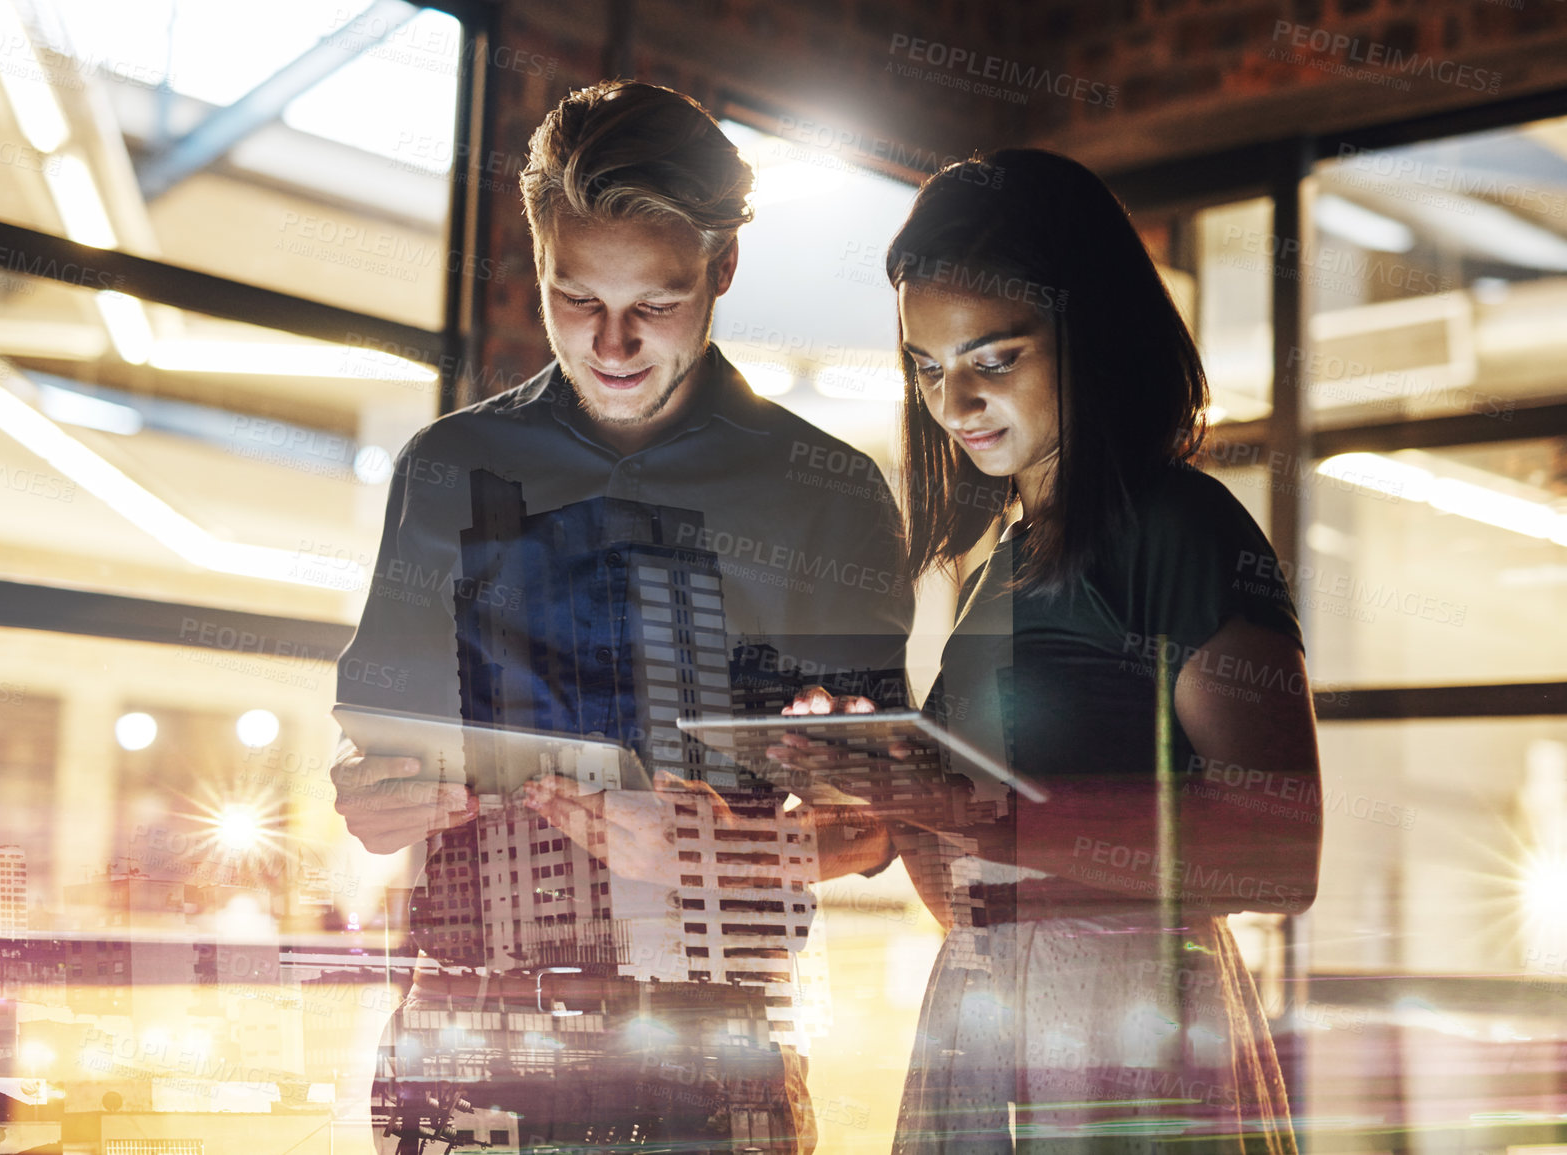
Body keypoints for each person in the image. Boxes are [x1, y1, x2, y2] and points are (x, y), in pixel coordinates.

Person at [328, 81, 913, 1154]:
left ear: (724, 268)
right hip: (462, 1047)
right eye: (573, 297)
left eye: (657, 301)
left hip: (708, 1049)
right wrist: (376, 803)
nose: (611, 343)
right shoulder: (447, 467)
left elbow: (884, 815)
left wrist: (732, 855)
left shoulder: (824, 490)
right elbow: (376, 773)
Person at [794, 148, 1323, 1153]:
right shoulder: (998, 560)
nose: (953, 405)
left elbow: (1279, 855)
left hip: (1130, 1031)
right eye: (926, 369)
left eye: (994, 360)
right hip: (991, 1021)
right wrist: (873, 798)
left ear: (1093, 334)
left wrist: (965, 810)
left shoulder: (1179, 527)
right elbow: (970, 869)